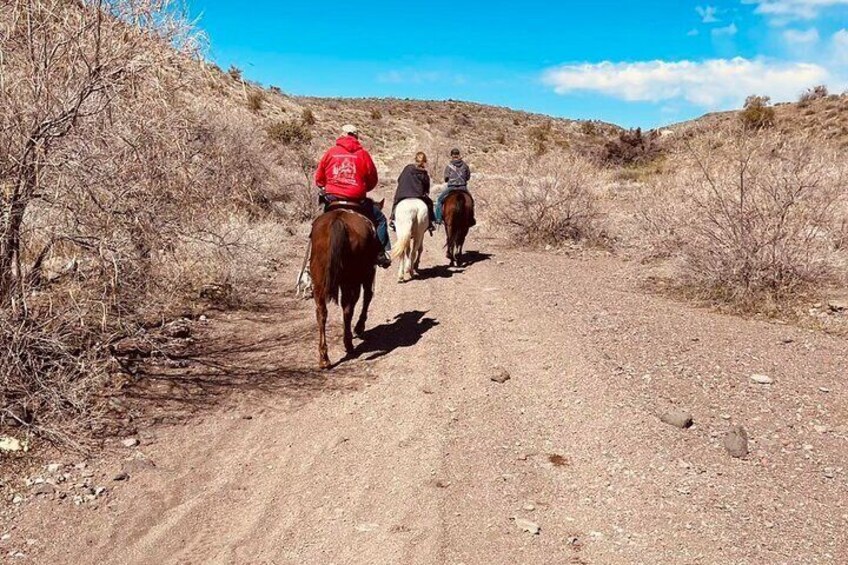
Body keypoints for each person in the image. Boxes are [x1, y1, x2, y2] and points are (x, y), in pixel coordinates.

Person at [314, 124, 391, 268]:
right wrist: (362, 187)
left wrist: (328, 185)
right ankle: (380, 253)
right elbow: (372, 179)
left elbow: (319, 178)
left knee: (317, 225)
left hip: (333, 199)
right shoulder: (363, 154)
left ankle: (310, 262)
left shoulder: (330, 152)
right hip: (356, 200)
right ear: (356, 136)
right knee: (380, 220)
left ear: (342, 135)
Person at [390, 152, 435, 234]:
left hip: (403, 194)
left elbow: (399, 179)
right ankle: (430, 223)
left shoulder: (407, 168)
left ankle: (392, 220)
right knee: (430, 204)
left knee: (396, 202)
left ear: (415, 159)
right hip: (418, 196)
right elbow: (427, 188)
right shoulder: (424, 173)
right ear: (424, 161)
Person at [435, 147, 475, 226]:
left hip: (451, 188)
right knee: (472, 202)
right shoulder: (465, 165)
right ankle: (471, 219)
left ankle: (438, 218)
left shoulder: (449, 166)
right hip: (463, 188)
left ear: (452, 155)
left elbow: (446, 178)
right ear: (458, 155)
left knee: (439, 200)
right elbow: (468, 177)